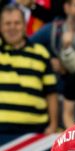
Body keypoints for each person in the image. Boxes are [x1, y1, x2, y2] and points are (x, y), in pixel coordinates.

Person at [0, 4, 57, 135]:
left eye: (17, 23)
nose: (12, 27)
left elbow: (51, 93)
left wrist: (53, 125)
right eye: (7, 24)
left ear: (25, 25)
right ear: (1, 27)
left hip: (34, 133)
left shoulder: (41, 53)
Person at [29, 0, 75, 91]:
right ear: (67, 8)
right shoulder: (52, 29)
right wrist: (47, 61)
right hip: (49, 91)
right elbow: (26, 47)